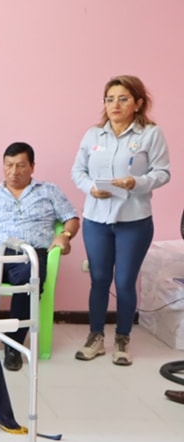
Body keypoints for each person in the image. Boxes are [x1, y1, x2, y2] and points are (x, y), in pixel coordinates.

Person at [71, 75, 171, 366]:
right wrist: (91, 188)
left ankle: (123, 338)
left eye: (123, 98)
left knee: (125, 282)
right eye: (110, 98)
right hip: (96, 219)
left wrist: (135, 182)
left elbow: (163, 173)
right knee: (99, 280)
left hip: (134, 220)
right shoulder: (94, 135)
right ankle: (95, 337)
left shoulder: (151, 134)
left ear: (138, 103)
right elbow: (78, 171)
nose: (115, 104)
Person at [0, 141, 80, 371]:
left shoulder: (49, 191)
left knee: (29, 280)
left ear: (32, 166)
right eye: (8, 165)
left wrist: (64, 235)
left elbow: (72, 218)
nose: (13, 172)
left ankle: (13, 345)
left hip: (31, 254)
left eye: (20, 166)